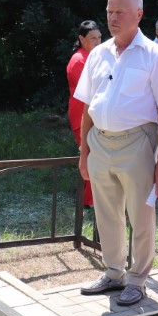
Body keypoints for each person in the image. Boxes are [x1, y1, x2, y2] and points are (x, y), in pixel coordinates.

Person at [74, 0, 158, 306]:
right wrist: (84, 152)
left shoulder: (156, 56)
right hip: (99, 141)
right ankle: (114, 272)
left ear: (139, 15)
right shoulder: (98, 53)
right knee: (106, 213)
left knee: (141, 215)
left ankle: (137, 279)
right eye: (109, 11)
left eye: (120, 12)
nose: (112, 17)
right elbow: (87, 105)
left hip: (138, 142)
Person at [67, 21, 102, 207]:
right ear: (81, 39)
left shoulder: (92, 57)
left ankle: (93, 198)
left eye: (99, 38)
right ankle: (89, 200)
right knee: (89, 154)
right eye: (93, 38)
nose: (98, 42)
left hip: (92, 115)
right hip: (81, 116)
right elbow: (93, 89)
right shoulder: (78, 60)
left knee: (95, 154)